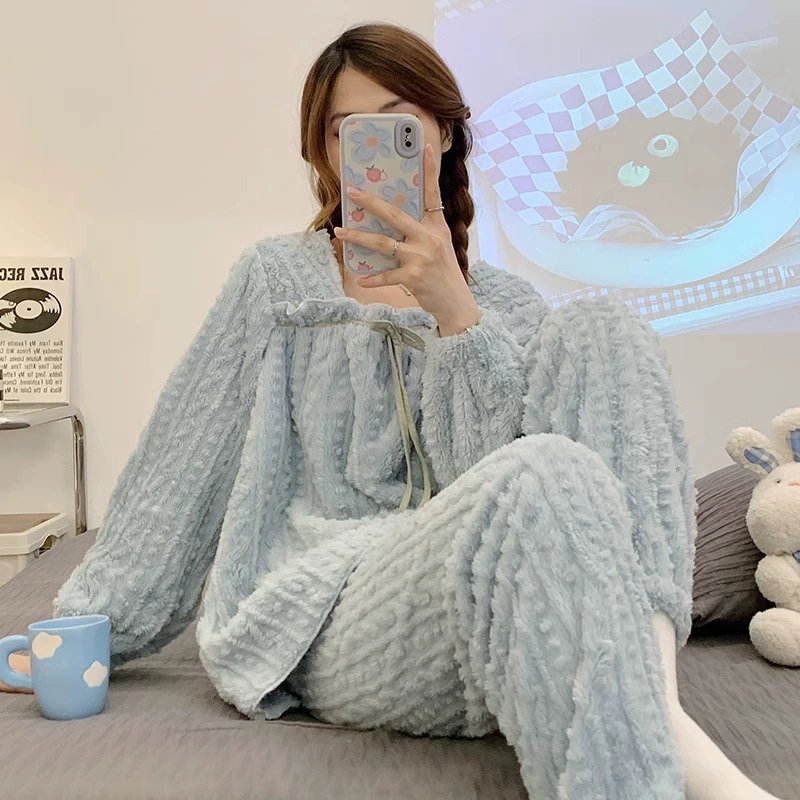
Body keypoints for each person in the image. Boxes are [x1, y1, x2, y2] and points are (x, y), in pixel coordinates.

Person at [2, 22, 782, 800]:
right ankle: (657, 735)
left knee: (605, 329)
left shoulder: (508, 304)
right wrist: (87, 625)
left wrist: (455, 314)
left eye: (397, 124)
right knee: (547, 470)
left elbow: (513, 504)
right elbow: (182, 465)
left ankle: (654, 705)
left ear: (441, 133)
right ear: (323, 152)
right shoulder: (277, 283)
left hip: (511, 620)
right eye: (346, 131)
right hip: (338, 612)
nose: (370, 151)